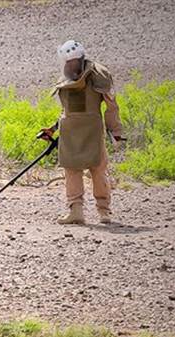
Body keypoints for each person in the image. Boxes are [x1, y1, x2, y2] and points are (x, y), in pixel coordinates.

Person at [40, 40, 124, 225]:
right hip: (70, 131)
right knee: (72, 170)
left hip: (92, 131)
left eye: (71, 62)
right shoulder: (67, 78)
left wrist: (115, 130)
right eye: (67, 63)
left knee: (98, 169)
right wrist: (53, 129)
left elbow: (111, 106)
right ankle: (76, 211)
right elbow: (68, 111)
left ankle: (104, 212)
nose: (69, 66)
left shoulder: (98, 75)